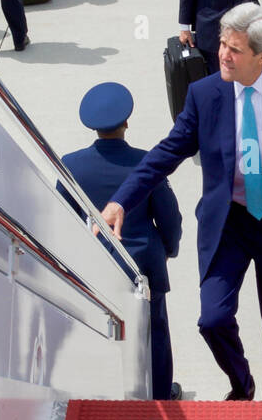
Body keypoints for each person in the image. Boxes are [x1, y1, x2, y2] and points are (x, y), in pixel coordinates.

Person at [101, 3, 262, 402]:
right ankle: (240, 383)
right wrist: (122, 201)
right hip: (228, 224)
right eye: (222, 44)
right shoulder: (204, 94)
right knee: (212, 320)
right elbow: (167, 152)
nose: (223, 55)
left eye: (235, 49)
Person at [60, 83, 183, 401]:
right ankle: (158, 395)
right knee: (154, 331)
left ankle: (107, 392)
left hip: (98, 264)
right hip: (143, 263)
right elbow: (168, 217)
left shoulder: (71, 165)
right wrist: (169, 248)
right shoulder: (147, 163)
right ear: (126, 122)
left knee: (100, 329)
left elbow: (64, 217)